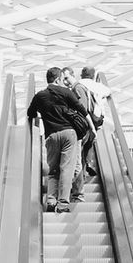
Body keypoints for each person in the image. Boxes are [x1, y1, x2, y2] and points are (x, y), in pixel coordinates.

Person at [27, 66, 91, 212]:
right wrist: (92, 128)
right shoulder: (66, 92)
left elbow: (30, 113)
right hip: (69, 134)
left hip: (51, 136)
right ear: (57, 79)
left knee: (53, 170)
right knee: (67, 169)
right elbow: (82, 110)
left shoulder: (39, 96)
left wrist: (42, 115)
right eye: (62, 79)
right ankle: (62, 204)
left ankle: (50, 200)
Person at [75, 66, 110, 177]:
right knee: (90, 139)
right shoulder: (97, 86)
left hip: (83, 118)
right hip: (96, 118)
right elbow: (108, 92)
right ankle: (88, 162)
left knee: (80, 142)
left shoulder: (78, 84)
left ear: (82, 75)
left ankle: (80, 170)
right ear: (93, 76)